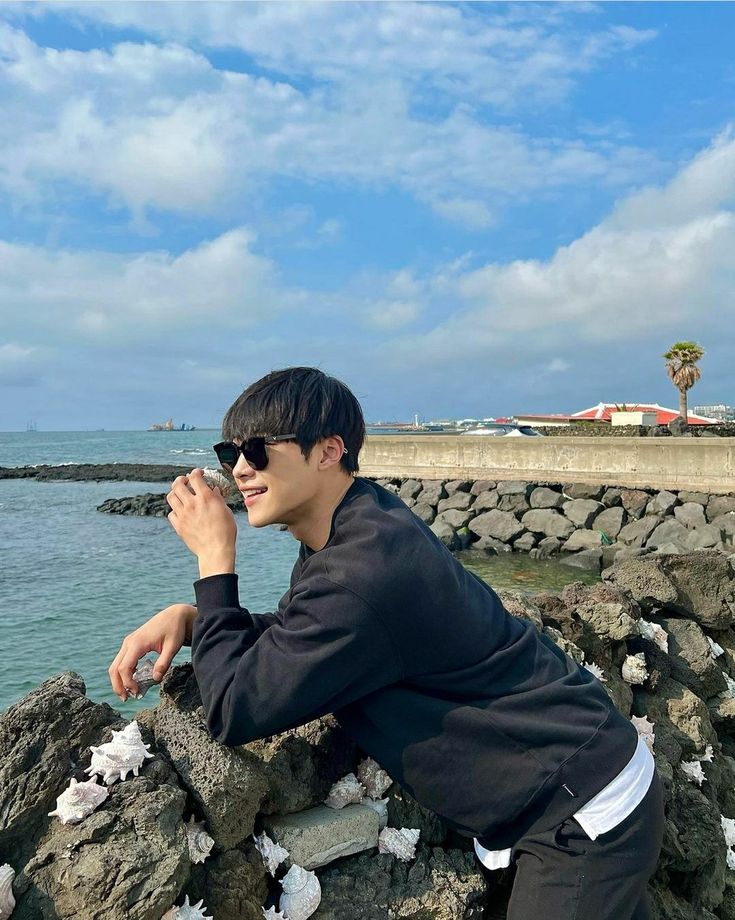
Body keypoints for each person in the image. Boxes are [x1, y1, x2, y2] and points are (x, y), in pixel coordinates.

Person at [109, 366, 664, 920]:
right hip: (569, 774)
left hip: (578, 811)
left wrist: (214, 564)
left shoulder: (363, 569)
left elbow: (235, 708)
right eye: (229, 453)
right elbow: (306, 636)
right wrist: (196, 617)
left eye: (257, 449)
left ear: (329, 451)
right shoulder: (360, 525)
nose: (241, 470)